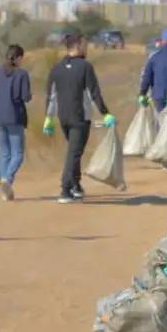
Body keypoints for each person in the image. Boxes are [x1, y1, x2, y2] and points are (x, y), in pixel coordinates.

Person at [43, 33, 114, 204]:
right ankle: (65, 189)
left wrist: (49, 118)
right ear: (77, 47)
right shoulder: (85, 67)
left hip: (63, 118)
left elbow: (51, 95)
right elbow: (94, 92)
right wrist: (105, 113)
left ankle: (76, 185)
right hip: (80, 117)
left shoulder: (56, 68)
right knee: (74, 153)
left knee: (75, 151)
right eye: (84, 45)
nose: (86, 48)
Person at [0, 44, 32, 201]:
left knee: (4, 153)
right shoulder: (22, 74)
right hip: (15, 117)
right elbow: (26, 97)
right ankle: (7, 179)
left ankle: (5, 191)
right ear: (18, 58)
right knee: (17, 154)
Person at [139, 27, 167, 112]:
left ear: (163, 41)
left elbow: (146, 78)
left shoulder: (154, 57)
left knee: (160, 121)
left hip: (158, 96)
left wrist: (142, 94)